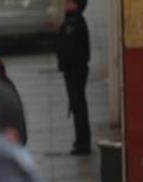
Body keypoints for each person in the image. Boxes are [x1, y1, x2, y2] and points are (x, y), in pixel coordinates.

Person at [57, 0, 91, 155]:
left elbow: (70, 48)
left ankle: (83, 143)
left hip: (75, 71)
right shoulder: (72, 21)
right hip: (74, 70)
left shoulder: (74, 22)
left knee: (78, 107)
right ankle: (81, 141)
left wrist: (66, 64)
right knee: (78, 107)